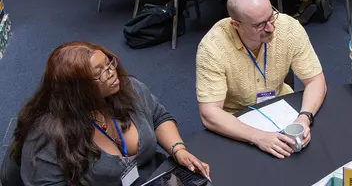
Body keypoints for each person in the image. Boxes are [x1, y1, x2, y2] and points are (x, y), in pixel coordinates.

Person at [8, 41, 210, 184]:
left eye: (109, 63)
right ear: (78, 90)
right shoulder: (46, 138)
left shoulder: (128, 89)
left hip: (155, 178)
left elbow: (158, 117)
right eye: (100, 73)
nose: (112, 72)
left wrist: (179, 150)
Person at [196, 0, 327, 159]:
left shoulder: (288, 28)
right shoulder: (212, 48)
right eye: (259, 25)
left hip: (282, 107)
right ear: (236, 25)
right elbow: (209, 113)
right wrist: (257, 137)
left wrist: (304, 117)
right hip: (237, 118)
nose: (271, 28)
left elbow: (316, 80)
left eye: (271, 17)